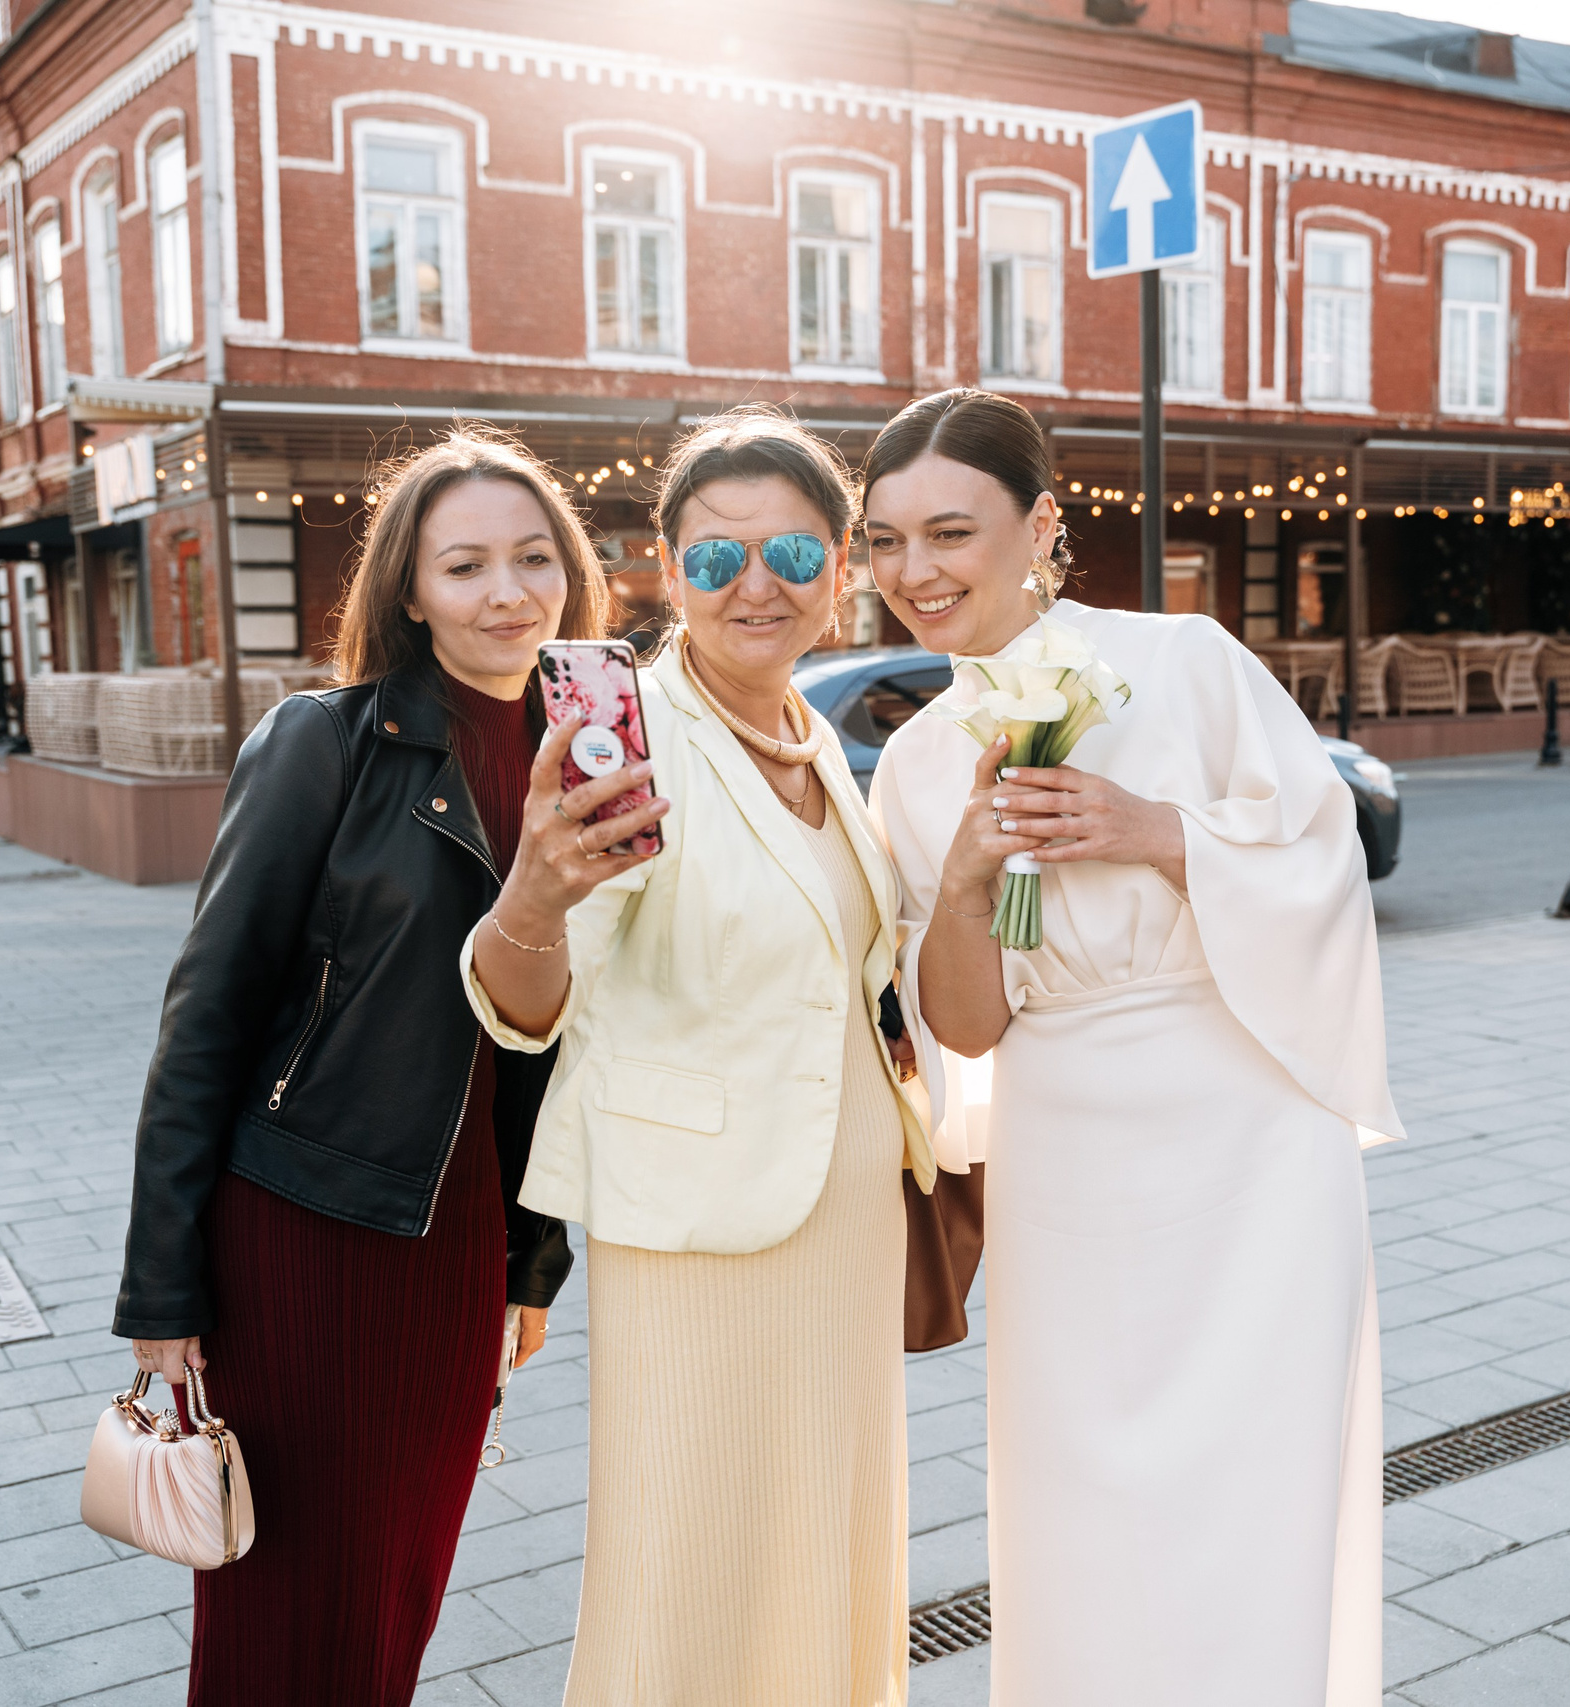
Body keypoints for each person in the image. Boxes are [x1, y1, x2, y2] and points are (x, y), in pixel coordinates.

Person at [863, 389, 1404, 1707]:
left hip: (1247, 1132)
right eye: (884, 541)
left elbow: (1325, 853)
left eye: (950, 531)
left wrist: (1152, 825)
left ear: (1042, 523)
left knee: (1255, 1487)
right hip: (1065, 1157)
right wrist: (975, 881)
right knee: (1074, 1493)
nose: (916, 572)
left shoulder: (1185, 660)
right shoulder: (916, 762)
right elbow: (967, 1024)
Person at [112, 428, 603, 1707]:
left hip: (459, 1246)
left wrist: (529, 1262)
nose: (508, 592)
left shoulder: (601, 754)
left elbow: (565, 1046)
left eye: (533, 557)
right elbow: (206, 1013)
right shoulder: (323, 742)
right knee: (290, 1600)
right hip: (308, 1227)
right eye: (466, 565)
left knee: (401, 1584)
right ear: (409, 590)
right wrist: (163, 1285)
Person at [465, 408, 932, 1707]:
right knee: (683, 1572)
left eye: (790, 549)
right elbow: (524, 1003)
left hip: (842, 1216)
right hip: (696, 1236)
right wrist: (534, 898)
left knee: (825, 1542)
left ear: (837, 564)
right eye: (717, 558)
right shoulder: (637, 738)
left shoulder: (809, 735)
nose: (757, 584)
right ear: (667, 573)